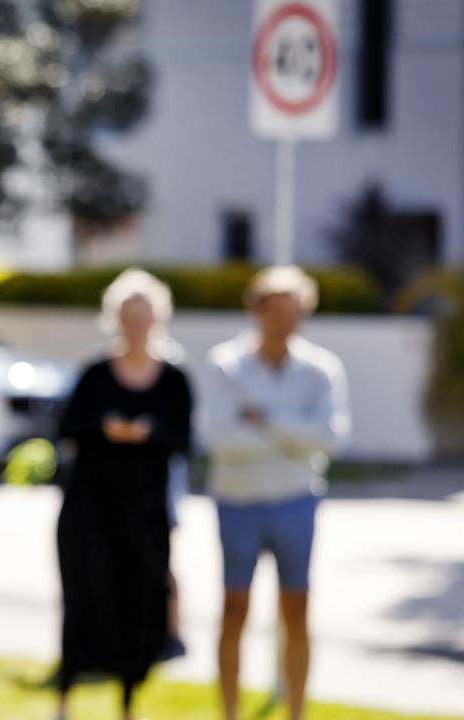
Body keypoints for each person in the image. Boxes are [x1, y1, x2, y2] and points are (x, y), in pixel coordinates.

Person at [205, 266, 350, 720]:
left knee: (296, 611)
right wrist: (293, 435)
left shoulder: (322, 368)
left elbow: (329, 438)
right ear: (257, 311)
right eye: (275, 311)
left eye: (293, 312)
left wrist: (264, 419)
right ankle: (228, 712)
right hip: (237, 500)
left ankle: (297, 712)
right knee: (233, 610)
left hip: (296, 500)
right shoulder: (225, 363)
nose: (284, 321)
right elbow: (219, 438)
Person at [53, 268, 193, 720]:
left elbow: (186, 440)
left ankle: (129, 704)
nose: (137, 325)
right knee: (83, 599)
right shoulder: (95, 373)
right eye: (128, 317)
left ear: (158, 319)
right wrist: (104, 429)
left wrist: (149, 434)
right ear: (115, 319)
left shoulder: (174, 378)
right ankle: (64, 699)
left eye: (144, 316)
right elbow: (67, 428)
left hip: (146, 513)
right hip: (89, 510)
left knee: (139, 603)